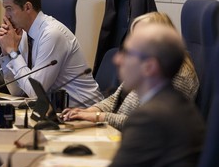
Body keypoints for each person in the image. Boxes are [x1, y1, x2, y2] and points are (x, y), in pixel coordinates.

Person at [62, 12, 199, 130]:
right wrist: (88, 111)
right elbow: (115, 99)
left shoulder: (177, 74)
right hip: (115, 132)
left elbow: (147, 125)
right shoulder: (144, 63)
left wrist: (97, 117)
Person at [106, 20, 205, 167]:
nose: (117, 59)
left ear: (149, 67)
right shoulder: (176, 106)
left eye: (126, 53)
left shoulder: (150, 118)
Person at [0, 0, 103, 107]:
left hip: (87, 112)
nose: (6, 16)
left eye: (9, 9)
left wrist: (13, 52)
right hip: (56, 112)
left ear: (27, 7)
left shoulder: (52, 34)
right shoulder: (24, 35)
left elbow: (35, 92)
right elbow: (17, 91)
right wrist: (6, 53)